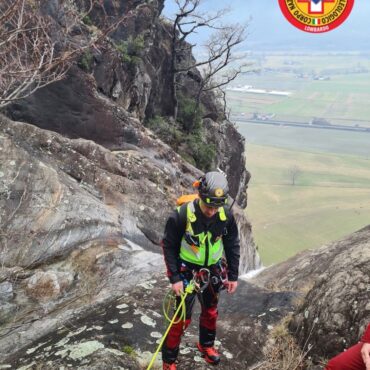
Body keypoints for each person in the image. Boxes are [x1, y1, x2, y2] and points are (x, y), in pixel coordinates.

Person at [161, 171, 240, 370]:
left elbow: (232, 244)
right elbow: (169, 245)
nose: (212, 211)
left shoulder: (226, 216)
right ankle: (168, 360)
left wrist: (233, 275)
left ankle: (206, 346)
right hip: (186, 269)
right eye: (208, 205)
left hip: (212, 269)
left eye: (216, 206)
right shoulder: (182, 215)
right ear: (200, 197)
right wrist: (175, 278)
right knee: (181, 318)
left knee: (211, 311)